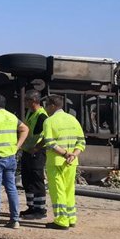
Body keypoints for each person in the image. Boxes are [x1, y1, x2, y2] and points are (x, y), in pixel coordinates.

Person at [0, 94, 29, 228]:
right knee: (11, 188)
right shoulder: (12, 116)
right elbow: (25, 129)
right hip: (10, 156)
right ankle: (15, 220)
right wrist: (17, 146)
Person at [41, 94, 86, 229]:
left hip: (56, 161)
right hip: (72, 162)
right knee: (69, 190)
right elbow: (81, 142)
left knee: (58, 191)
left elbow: (50, 143)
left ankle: (61, 220)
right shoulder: (73, 120)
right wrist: (73, 155)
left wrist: (65, 154)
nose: (45, 108)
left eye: (46, 105)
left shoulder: (49, 121)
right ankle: (71, 218)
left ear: (52, 106)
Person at [20, 91, 49, 219]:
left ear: (33, 101)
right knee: (27, 180)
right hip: (28, 150)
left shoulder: (42, 116)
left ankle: (40, 209)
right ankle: (31, 206)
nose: (24, 102)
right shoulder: (30, 112)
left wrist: (37, 148)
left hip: (37, 152)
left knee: (37, 180)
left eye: (26, 100)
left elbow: (48, 136)